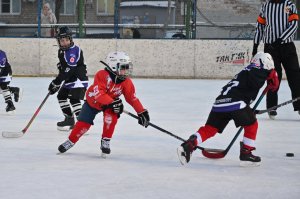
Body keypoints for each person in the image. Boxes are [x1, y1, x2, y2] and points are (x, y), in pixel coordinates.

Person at [177, 52, 279, 166]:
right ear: (266, 64)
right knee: (252, 125)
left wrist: (248, 110)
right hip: (236, 103)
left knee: (210, 129)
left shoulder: (246, 72)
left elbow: (243, 89)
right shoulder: (256, 69)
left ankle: (189, 145)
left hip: (219, 103)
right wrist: (272, 74)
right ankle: (246, 152)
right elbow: (260, 74)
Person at [57, 51, 150, 157]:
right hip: (93, 103)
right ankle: (71, 141)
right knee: (83, 124)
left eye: (127, 67)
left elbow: (132, 98)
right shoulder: (102, 75)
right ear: (114, 66)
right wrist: (112, 102)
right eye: (123, 67)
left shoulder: (126, 82)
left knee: (111, 118)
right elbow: (99, 94)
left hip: (109, 104)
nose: (126, 70)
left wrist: (141, 112)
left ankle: (106, 140)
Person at [252, 0, 300, 119]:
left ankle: (299, 106)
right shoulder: (266, 6)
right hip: (271, 47)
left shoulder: (290, 5)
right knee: (273, 77)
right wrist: (255, 45)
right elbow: (260, 26)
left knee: (295, 76)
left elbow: (294, 25)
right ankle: (272, 108)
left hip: (287, 46)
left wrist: (280, 39)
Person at [48, 26, 89, 131]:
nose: (65, 42)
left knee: (74, 99)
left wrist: (56, 82)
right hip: (70, 79)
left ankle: (82, 125)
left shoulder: (72, 51)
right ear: (58, 41)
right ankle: (69, 119)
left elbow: (69, 69)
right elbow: (64, 68)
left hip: (78, 79)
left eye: (67, 40)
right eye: (62, 40)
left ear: (71, 39)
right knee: (61, 96)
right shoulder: (61, 51)